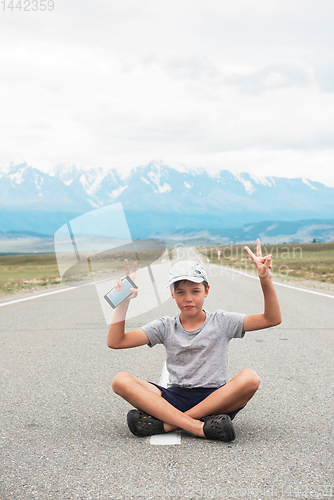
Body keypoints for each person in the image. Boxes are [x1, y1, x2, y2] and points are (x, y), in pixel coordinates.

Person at [108, 239, 282, 442]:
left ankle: (169, 424)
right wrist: (123, 302)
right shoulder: (165, 326)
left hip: (216, 400)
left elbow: (272, 319)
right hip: (174, 398)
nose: (188, 298)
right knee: (121, 381)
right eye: (180, 292)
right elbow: (116, 341)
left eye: (195, 291)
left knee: (250, 378)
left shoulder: (222, 321)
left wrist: (265, 280)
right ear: (172, 294)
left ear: (206, 291)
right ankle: (199, 427)